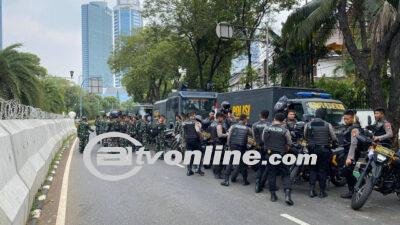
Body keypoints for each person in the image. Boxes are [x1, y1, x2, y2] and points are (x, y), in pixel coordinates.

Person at [304, 108, 338, 198]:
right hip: (324, 150)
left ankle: (311, 191)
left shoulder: (309, 124)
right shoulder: (327, 124)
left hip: (311, 149)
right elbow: (334, 138)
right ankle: (322, 192)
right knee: (322, 170)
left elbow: (305, 135)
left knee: (313, 169)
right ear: (324, 115)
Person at [262, 113, 293, 205]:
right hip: (281, 154)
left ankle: (273, 196)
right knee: (286, 174)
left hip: (270, 154)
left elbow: (263, 140)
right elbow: (290, 143)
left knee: (272, 174)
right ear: (283, 120)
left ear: (274, 118)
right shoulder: (285, 130)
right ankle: (287, 195)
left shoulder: (267, 128)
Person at [221, 114, 252, 187]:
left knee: (229, 163)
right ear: (244, 119)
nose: (246, 120)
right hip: (242, 148)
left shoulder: (233, 126)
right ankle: (245, 181)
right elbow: (252, 134)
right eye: (246, 119)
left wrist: (228, 145)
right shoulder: (247, 128)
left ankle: (226, 181)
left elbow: (229, 136)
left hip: (233, 146)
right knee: (243, 164)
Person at [339, 110, 363, 199]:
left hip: (352, 153)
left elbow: (353, 144)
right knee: (352, 172)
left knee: (348, 172)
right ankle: (355, 190)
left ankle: (353, 190)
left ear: (352, 118)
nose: (345, 120)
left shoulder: (354, 128)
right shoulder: (351, 127)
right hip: (350, 151)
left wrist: (349, 158)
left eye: (347, 119)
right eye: (344, 119)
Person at [252, 110, 271, 193]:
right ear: (268, 116)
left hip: (259, 147)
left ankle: (257, 183)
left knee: (261, 165)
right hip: (268, 148)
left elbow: (254, 136)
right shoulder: (270, 125)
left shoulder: (255, 125)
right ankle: (261, 184)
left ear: (260, 115)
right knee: (268, 165)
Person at [208, 112, 228, 179]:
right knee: (220, 159)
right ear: (219, 117)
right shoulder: (218, 125)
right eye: (222, 118)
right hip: (218, 143)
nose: (223, 120)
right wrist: (227, 134)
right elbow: (220, 135)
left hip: (213, 142)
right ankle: (218, 174)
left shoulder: (212, 124)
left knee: (215, 158)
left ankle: (215, 172)